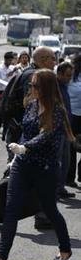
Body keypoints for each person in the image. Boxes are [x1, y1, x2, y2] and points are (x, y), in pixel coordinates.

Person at [0, 70, 73, 260]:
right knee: (10, 208)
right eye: (31, 85)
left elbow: (46, 135)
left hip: (44, 168)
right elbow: (26, 132)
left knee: (50, 210)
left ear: (47, 88)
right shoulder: (31, 105)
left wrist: (25, 148)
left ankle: (65, 248)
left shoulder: (57, 110)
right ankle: (1, 255)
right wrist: (16, 158)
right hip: (22, 165)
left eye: (36, 86)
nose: (32, 89)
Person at [0, 47, 58, 230]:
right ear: (43, 59)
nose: (55, 62)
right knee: (15, 176)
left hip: (24, 134)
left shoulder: (30, 73)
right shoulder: (34, 77)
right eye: (52, 58)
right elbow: (32, 109)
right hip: (24, 135)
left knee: (36, 176)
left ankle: (43, 215)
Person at [56, 62, 75, 199]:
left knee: (66, 161)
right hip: (57, 131)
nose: (70, 78)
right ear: (60, 74)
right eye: (67, 75)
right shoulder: (54, 88)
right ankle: (54, 189)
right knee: (57, 162)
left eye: (71, 76)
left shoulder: (64, 87)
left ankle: (60, 187)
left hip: (66, 131)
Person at [66, 54, 81, 188]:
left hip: (72, 116)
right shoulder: (70, 77)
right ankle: (70, 178)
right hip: (72, 116)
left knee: (71, 148)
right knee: (70, 148)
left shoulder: (71, 78)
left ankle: (73, 176)